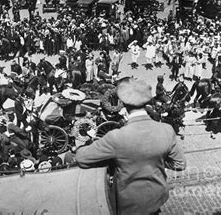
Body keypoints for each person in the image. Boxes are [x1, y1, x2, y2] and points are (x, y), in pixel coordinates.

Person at [75, 78, 186, 215]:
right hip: (157, 197)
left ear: (122, 104)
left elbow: (81, 158)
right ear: (147, 101)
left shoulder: (116, 137)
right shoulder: (167, 130)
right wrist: (157, 159)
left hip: (129, 204)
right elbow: (180, 164)